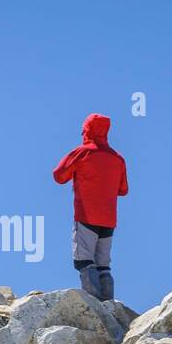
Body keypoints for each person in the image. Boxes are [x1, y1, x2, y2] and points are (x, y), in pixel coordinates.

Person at [52, 113, 128, 301]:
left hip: (86, 215)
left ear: (87, 130)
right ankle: (109, 303)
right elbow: (123, 189)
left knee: (84, 261)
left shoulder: (82, 152)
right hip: (109, 219)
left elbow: (59, 175)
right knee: (103, 264)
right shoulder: (117, 158)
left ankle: (94, 302)